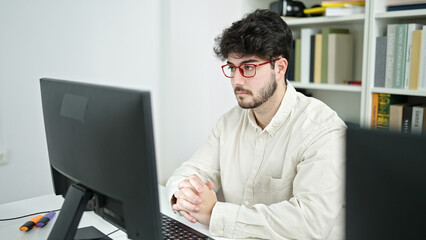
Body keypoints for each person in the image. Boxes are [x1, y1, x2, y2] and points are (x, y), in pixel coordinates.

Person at [166, 9, 346, 239]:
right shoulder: (229, 123)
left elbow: (309, 223)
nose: (237, 80)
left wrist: (215, 213)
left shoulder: (323, 130)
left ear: (280, 68)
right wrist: (182, 197)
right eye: (232, 67)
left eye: (249, 67)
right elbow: (190, 171)